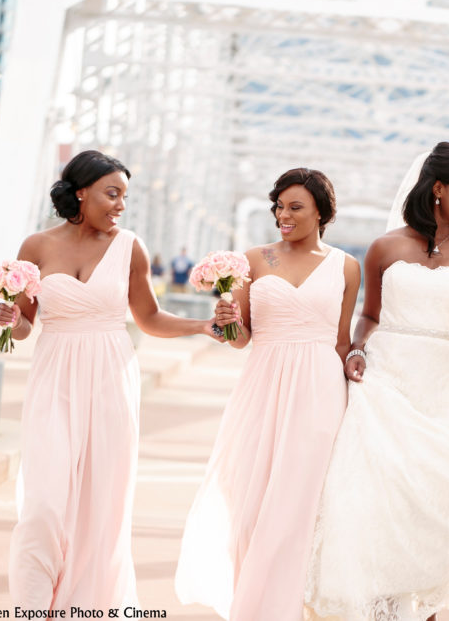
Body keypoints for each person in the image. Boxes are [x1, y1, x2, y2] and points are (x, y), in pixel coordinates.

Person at [0, 150, 218, 610]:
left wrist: (201, 326)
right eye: (112, 193)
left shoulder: (129, 246)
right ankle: (34, 603)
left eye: (125, 197)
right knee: (43, 501)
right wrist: (9, 318)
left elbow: (149, 317)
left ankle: (87, 604)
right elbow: (24, 327)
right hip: (54, 375)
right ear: (81, 192)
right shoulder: (36, 247)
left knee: (102, 502)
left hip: (110, 377)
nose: (120, 204)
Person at [304, 142, 449, 620]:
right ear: (437, 189)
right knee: (377, 507)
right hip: (388, 387)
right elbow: (370, 315)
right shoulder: (386, 247)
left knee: (436, 514)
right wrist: (356, 350)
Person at [175, 168, 360, 621]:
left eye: (295, 207)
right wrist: (227, 316)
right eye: (278, 206)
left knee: (297, 505)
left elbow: (341, 340)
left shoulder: (346, 266)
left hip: (320, 390)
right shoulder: (252, 260)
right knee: (250, 502)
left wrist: (355, 383)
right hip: (262, 384)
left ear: (321, 210)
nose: (283, 215)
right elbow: (240, 339)